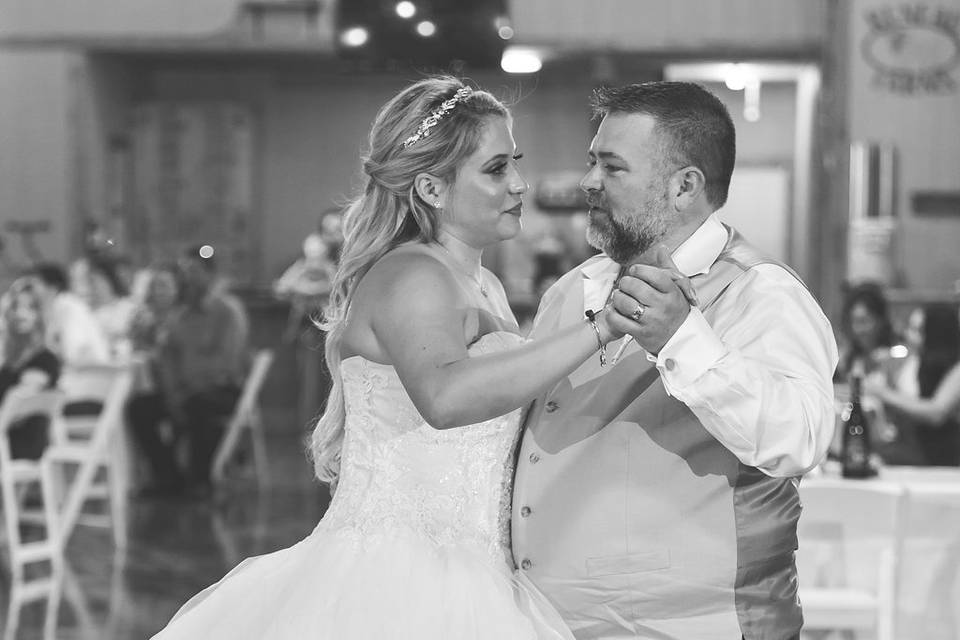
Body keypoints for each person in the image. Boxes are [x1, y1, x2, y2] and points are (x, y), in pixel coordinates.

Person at [150, 76, 654, 639]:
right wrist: (604, 327)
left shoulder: (479, 282)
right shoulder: (414, 275)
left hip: (476, 567)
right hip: (399, 578)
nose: (518, 183)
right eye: (494, 169)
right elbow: (443, 396)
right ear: (432, 190)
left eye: (515, 160)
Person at [511, 82, 839, 640]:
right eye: (592, 162)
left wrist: (681, 339)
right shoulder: (571, 290)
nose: (589, 183)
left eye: (612, 168)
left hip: (693, 625)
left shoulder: (762, 294)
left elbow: (800, 438)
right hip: (550, 622)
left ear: (685, 185)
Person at [155, 248, 250, 497]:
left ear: (209, 275)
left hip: (221, 389)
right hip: (185, 389)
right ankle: (168, 479)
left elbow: (226, 361)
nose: (188, 278)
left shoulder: (227, 312)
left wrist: (187, 384)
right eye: (184, 273)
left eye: (194, 271)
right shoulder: (179, 317)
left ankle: (200, 482)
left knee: (199, 405)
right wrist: (172, 390)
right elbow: (168, 357)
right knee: (140, 408)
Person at [867, 303, 960, 466]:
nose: (909, 336)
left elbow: (937, 412)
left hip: (941, 459)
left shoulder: (956, 369)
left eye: (918, 331)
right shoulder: (912, 363)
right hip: (908, 451)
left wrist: (883, 393)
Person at [125, 264, 184, 495]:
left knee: (144, 410)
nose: (159, 291)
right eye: (154, 286)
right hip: (158, 385)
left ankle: (169, 475)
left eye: (165, 285)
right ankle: (162, 474)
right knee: (137, 408)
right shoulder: (142, 317)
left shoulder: (181, 317)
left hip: (178, 386)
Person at [0, 277, 61, 459]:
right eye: (16, 307)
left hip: (20, 441)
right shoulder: (9, 359)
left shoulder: (45, 359)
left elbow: (19, 405)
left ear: (41, 313)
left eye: (31, 307)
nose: (21, 314)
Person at [30, 262, 111, 366]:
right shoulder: (53, 309)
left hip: (90, 371)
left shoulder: (68, 307)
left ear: (52, 287)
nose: (32, 290)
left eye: (37, 283)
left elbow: (73, 348)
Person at [836, 281, 895, 381]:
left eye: (863, 321)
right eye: (853, 321)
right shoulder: (849, 360)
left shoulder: (895, 357)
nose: (856, 329)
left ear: (880, 320)